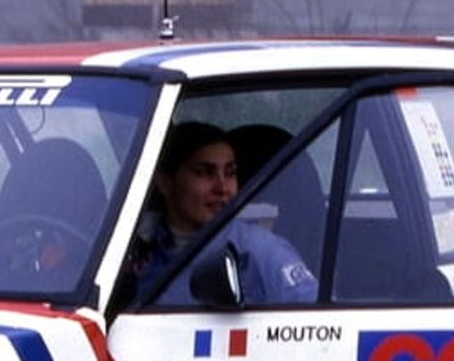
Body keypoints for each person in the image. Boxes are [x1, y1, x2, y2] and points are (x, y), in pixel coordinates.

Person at [130, 120, 318, 306]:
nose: (222, 188)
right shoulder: (132, 252)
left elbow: (315, 322)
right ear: (165, 182)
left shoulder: (260, 250)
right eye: (204, 173)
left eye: (230, 173)